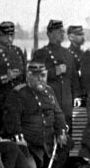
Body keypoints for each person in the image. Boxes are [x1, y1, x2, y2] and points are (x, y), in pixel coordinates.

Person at [3, 62, 69, 168]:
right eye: (36, 76)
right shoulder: (18, 93)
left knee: (67, 143)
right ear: (28, 76)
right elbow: (12, 120)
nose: (40, 79)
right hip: (29, 144)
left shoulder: (49, 91)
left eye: (43, 76)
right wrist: (18, 137)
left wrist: (61, 132)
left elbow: (58, 113)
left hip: (48, 141)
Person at [33, 20, 80, 154]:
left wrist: (76, 96)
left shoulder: (68, 54)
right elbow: (36, 77)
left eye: (62, 32)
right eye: (58, 32)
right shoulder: (41, 53)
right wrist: (55, 71)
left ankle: (65, 162)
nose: (62, 34)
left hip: (66, 101)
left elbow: (74, 79)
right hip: (51, 100)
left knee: (66, 132)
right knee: (51, 133)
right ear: (49, 34)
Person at [66, 25, 85, 101]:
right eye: (79, 34)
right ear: (71, 37)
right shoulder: (67, 55)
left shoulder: (83, 54)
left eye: (83, 34)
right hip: (74, 94)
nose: (82, 37)